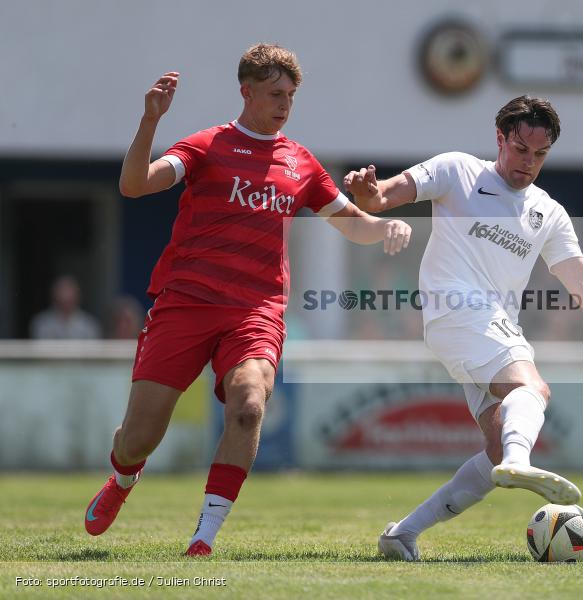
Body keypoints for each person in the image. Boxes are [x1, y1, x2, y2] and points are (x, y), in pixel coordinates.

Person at [84, 44, 411, 556]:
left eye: (292, 96)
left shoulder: (301, 162)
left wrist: (385, 226)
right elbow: (133, 185)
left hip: (256, 310)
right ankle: (122, 479)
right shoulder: (206, 145)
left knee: (249, 406)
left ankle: (204, 537)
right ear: (247, 91)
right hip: (186, 302)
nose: (284, 104)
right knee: (140, 438)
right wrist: (149, 122)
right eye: (276, 93)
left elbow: (355, 226)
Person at [344, 95, 583, 560]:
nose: (529, 163)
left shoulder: (549, 213)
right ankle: (519, 462)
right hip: (456, 311)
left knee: (494, 446)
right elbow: (383, 196)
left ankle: (402, 533)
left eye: (540, 155)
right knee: (535, 390)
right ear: (500, 138)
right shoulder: (458, 170)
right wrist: (367, 192)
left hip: (488, 327)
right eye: (521, 149)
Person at [30, 275, 101, 339]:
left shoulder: (89, 324)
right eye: (62, 293)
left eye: (69, 299)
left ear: (77, 297)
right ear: (54, 297)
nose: (65, 298)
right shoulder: (42, 323)